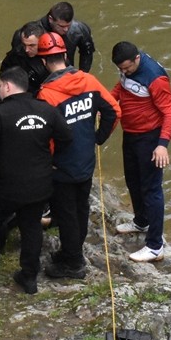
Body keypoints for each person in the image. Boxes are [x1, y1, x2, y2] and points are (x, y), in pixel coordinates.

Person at [0, 66, 71, 294]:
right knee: (31, 226)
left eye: (0, 86)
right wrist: (51, 160)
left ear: (7, 86)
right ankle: (29, 277)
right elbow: (67, 137)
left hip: (6, 184)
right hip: (39, 184)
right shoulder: (46, 109)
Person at [35, 32, 120, 279]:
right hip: (85, 159)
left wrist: (48, 161)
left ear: (43, 62)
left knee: (65, 213)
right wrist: (98, 137)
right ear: (65, 56)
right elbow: (114, 111)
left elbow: (47, 136)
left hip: (61, 165)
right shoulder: (89, 81)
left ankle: (73, 263)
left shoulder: (46, 95)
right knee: (80, 208)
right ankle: (71, 252)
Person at [110, 41, 171, 263]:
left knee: (151, 189)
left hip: (149, 138)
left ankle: (155, 246)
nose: (124, 72)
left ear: (137, 59)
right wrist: (108, 103)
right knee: (133, 180)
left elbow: (170, 112)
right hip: (130, 133)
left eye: (127, 68)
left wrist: (162, 144)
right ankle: (141, 221)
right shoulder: (126, 70)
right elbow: (121, 88)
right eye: (121, 69)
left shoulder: (155, 78)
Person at [13, 2, 95, 72]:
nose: (66, 29)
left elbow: (87, 51)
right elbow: (15, 62)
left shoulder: (79, 30)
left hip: (67, 73)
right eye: (61, 26)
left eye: (68, 25)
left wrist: (83, 73)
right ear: (50, 19)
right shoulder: (28, 35)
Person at [0, 21, 48, 98]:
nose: (26, 50)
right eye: (24, 45)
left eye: (32, 45)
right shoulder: (14, 57)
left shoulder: (51, 56)